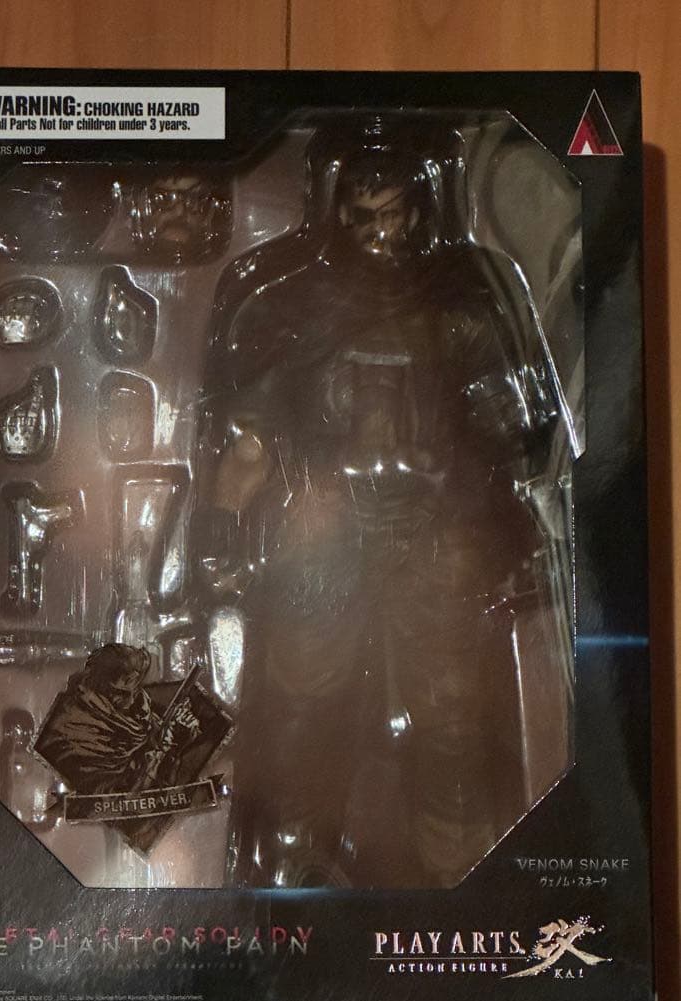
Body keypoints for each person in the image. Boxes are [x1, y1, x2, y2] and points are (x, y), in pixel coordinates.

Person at [195, 115, 572, 889]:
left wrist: (517, 514)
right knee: (302, 719)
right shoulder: (291, 307)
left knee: (454, 723)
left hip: (434, 539)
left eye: (392, 213)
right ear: (337, 210)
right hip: (323, 541)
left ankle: (462, 880)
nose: (379, 231)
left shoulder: (462, 306)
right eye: (364, 214)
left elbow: (519, 436)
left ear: (420, 210)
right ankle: (291, 879)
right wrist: (218, 527)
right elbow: (250, 445)